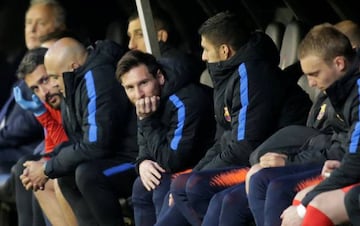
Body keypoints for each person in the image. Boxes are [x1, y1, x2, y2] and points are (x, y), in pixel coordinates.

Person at [154, 11, 306, 226]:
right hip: (249, 157)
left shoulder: (251, 73)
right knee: (180, 185)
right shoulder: (229, 73)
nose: (203, 56)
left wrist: (198, 175)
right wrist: (197, 171)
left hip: (265, 162)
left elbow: (245, 144)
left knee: (195, 186)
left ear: (225, 51)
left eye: (206, 49)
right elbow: (224, 138)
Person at [20, 37, 139, 226]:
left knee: (87, 174)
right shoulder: (74, 84)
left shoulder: (96, 78)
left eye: (54, 77)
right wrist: (48, 160)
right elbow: (78, 140)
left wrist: (47, 168)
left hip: (136, 158)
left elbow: (96, 145)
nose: (53, 85)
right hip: (113, 155)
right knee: (67, 177)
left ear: (73, 66)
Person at [116, 50, 216, 226]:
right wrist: (143, 163)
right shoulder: (149, 100)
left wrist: (147, 121)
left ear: (160, 78)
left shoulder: (185, 100)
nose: (138, 94)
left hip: (207, 164)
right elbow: (144, 145)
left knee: (160, 182)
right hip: (181, 163)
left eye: (143, 83)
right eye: (129, 88)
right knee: (141, 185)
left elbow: (172, 161)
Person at [279, 24, 360, 226]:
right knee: (303, 198)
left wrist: (302, 207)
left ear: (339, 63)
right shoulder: (342, 90)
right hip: (348, 165)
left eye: (314, 73)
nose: (311, 83)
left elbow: (356, 161)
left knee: (312, 207)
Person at [13, 47, 75, 226]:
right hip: (72, 158)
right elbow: (52, 149)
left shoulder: (70, 95)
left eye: (45, 80)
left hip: (97, 160)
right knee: (29, 173)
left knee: (52, 178)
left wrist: (42, 116)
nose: (43, 92)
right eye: (35, 88)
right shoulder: (50, 103)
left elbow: (68, 147)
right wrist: (38, 168)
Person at [127, 10, 204, 82]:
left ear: (161, 36)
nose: (131, 45)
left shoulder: (172, 68)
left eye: (140, 35)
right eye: (130, 36)